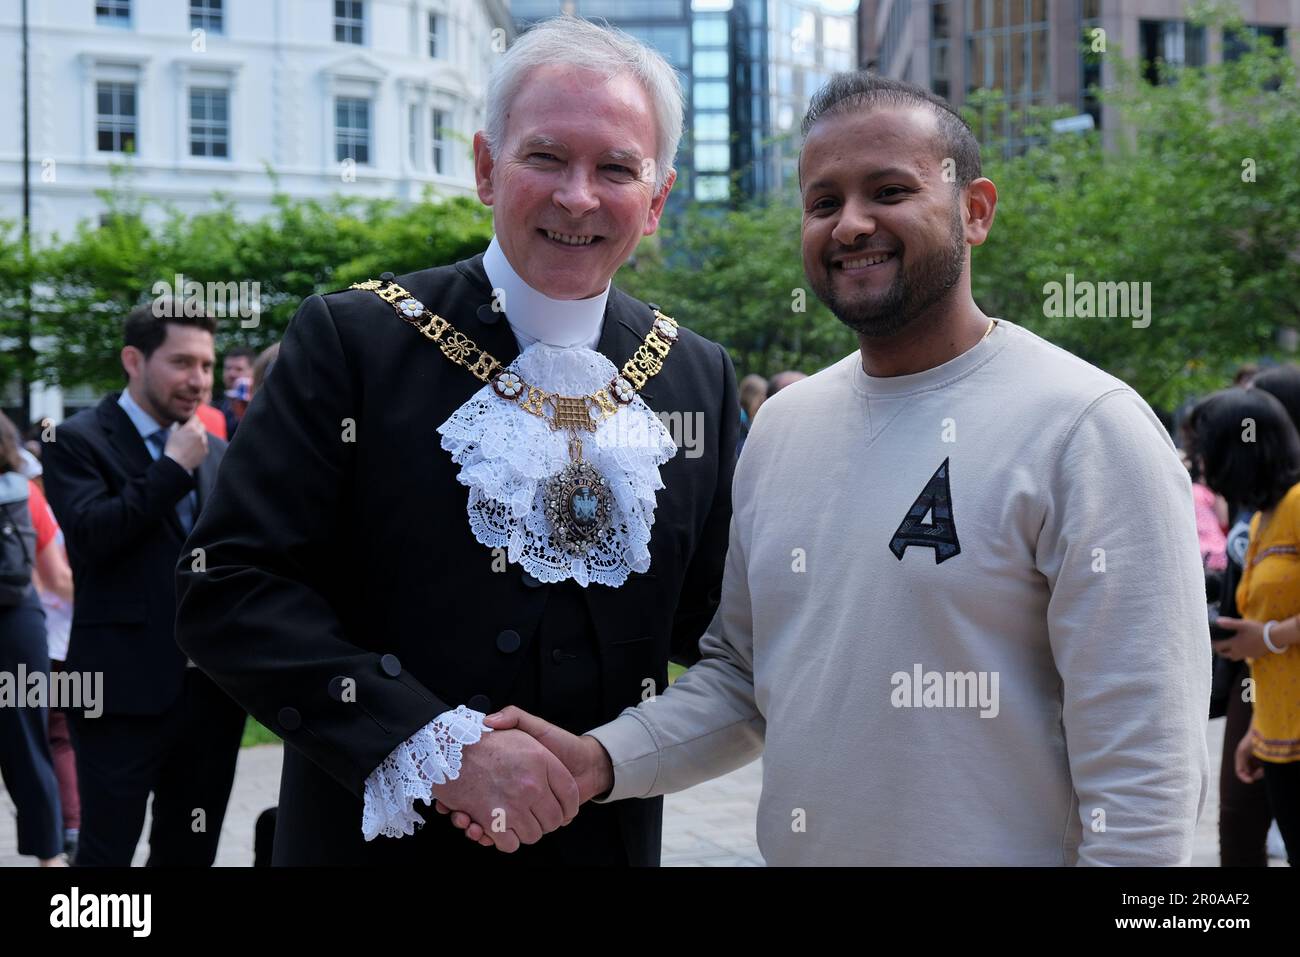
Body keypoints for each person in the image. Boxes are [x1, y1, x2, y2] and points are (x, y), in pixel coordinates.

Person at [446, 71, 1211, 865]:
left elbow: (1146, 781)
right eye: (823, 202)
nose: (851, 224)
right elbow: (745, 679)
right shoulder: (783, 428)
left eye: (888, 190)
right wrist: (599, 760)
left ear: (975, 210)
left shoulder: (1089, 430)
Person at [175, 16, 737, 866]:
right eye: (545, 157)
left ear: (656, 200)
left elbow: (723, 621)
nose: (578, 196)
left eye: (616, 168)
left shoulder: (696, 373)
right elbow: (229, 587)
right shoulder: (354, 338)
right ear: (485, 167)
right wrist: (434, 747)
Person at [42, 301, 244, 866]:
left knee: (190, 850)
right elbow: (92, 537)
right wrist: (172, 468)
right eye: (182, 363)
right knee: (106, 853)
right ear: (134, 359)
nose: (198, 380)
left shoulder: (218, 452)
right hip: (118, 691)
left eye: (206, 365)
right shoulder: (76, 440)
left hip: (210, 696)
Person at [1197, 388, 1300, 865]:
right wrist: (1257, 732)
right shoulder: (1263, 519)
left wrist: (1267, 638)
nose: (1203, 465)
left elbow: (1273, 630)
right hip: (1277, 732)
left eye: (1208, 450)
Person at [0, 411, 65, 866]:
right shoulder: (27, 495)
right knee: (30, 744)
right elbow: (56, 577)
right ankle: (51, 858)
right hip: (20, 626)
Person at [218, 346, 257, 438]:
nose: (231, 374)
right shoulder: (216, 407)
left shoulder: (262, 405)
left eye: (239, 369)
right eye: (228, 368)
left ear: (253, 372)